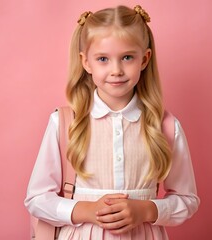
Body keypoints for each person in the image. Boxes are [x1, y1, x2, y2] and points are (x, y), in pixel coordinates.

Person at [24, 5, 199, 239]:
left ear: (144, 59)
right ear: (86, 63)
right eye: (103, 59)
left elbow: (187, 200)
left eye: (127, 57)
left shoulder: (164, 126)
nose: (116, 70)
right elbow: (36, 199)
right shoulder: (65, 123)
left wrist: (146, 209)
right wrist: (87, 210)